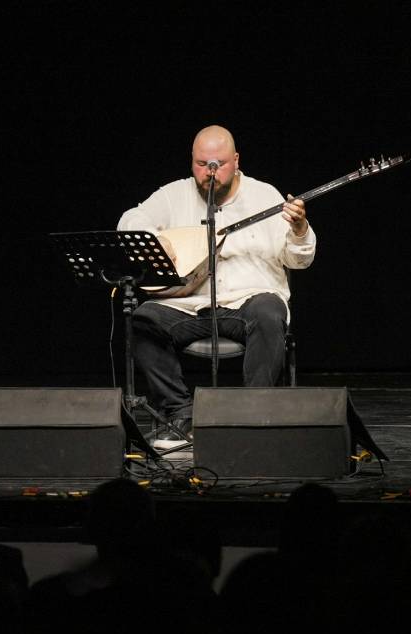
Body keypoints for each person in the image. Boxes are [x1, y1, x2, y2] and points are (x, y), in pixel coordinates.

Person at [117, 125, 316, 439]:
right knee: (141, 320)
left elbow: (298, 260)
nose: (210, 172)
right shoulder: (174, 195)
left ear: (236, 161)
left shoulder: (264, 195)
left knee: (270, 311)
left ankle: (254, 416)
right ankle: (179, 412)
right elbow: (130, 220)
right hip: (188, 305)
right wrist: (157, 241)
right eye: (202, 164)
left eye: (219, 164)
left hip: (246, 302)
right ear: (192, 162)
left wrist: (300, 229)